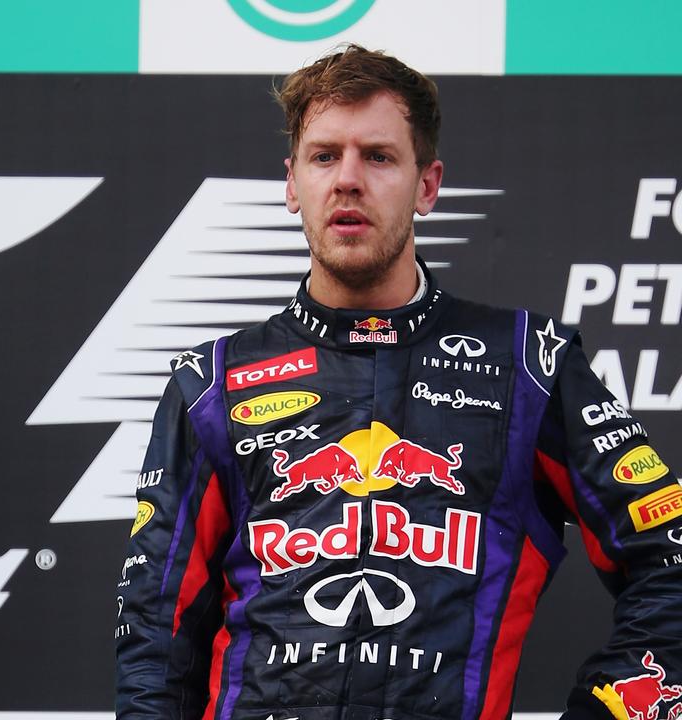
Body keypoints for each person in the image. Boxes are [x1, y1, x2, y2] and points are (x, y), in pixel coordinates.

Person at [115, 44, 682, 720]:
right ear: (292, 184)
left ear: (428, 184)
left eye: (378, 157)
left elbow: (669, 560)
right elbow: (154, 633)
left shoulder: (532, 365)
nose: (348, 180)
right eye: (325, 156)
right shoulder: (211, 384)